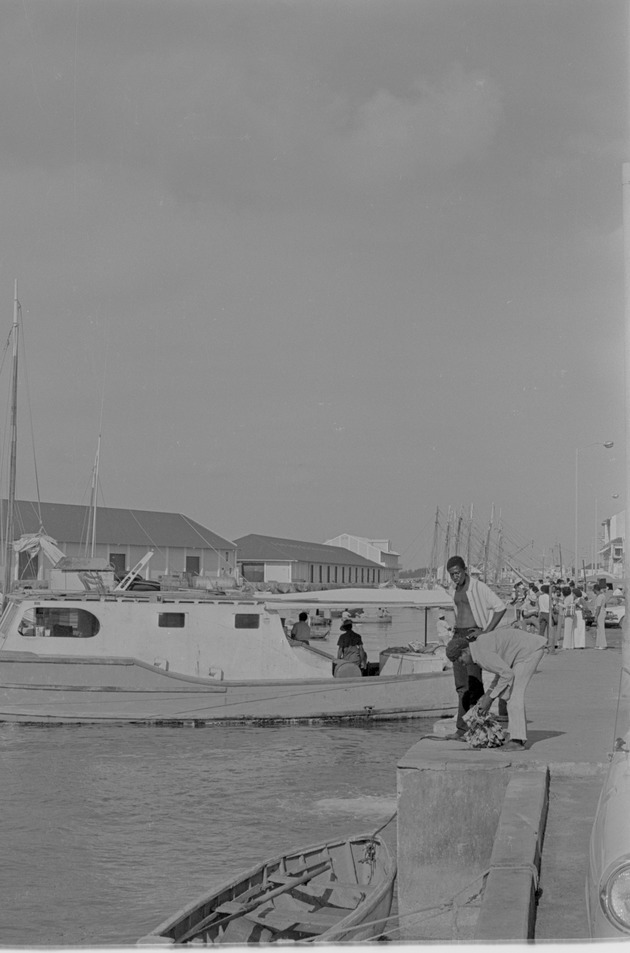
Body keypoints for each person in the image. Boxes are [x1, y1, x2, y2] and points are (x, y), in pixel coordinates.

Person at [445, 627, 546, 750]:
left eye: (459, 660)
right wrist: (487, 695)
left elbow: (507, 674)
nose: (462, 664)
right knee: (508, 696)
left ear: (465, 651)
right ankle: (515, 734)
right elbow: (500, 674)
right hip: (523, 651)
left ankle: (517, 741)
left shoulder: (481, 656)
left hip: (529, 651)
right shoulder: (479, 648)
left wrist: (490, 698)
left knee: (514, 696)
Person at [445, 556, 507, 739]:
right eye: (451, 575)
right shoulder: (452, 589)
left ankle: (477, 728)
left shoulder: (478, 586)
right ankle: (462, 728)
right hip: (458, 635)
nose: (455, 577)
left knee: (474, 683)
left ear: (465, 570)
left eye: (457, 573)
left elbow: (500, 607)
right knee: (461, 686)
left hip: (474, 636)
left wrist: (486, 632)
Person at [594, 584, 608, 650]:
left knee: (601, 629)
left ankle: (603, 644)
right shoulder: (603, 596)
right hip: (603, 611)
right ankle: (598, 644)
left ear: (595, 590)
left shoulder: (599, 597)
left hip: (600, 613)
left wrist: (596, 616)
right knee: (598, 628)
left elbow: (598, 607)